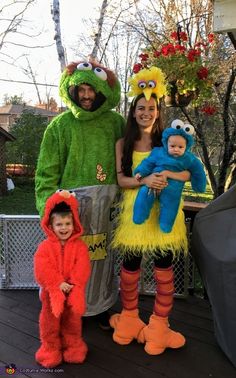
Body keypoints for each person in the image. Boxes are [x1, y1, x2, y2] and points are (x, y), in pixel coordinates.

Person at [35, 60, 125, 330]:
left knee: (101, 259)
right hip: (70, 211)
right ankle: (66, 308)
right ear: (71, 89)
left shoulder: (116, 124)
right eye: (81, 89)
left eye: (91, 89)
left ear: (103, 90)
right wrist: (48, 210)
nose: (86, 95)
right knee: (69, 261)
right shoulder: (60, 126)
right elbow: (46, 173)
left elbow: (132, 159)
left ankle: (100, 306)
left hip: (107, 207)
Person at [110, 90, 191, 356]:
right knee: (130, 266)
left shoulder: (168, 141)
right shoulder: (123, 143)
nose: (146, 112)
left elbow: (189, 169)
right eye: (141, 107)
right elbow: (122, 180)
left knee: (163, 268)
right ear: (133, 111)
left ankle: (159, 326)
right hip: (135, 216)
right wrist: (144, 180)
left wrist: (166, 175)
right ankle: (130, 319)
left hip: (164, 215)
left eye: (152, 108)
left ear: (158, 111)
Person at [34, 190, 91, 368]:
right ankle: (50, 347)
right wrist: (58, 283)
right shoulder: (44, 247)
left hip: (73, 292)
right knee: (49, 322)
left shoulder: (80, 246)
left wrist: (73, 284)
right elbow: (42, 268)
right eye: (59, 224)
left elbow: (82, 266)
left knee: (72, 321)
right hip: (52, 294)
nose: (64, 228)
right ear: (51, 226)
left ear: (74, 224)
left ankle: (73, 345)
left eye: (67, 223)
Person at [133, 119, 206, 232]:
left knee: (170, 205)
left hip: (173, 188)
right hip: (153, 182)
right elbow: (148, 163)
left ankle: (165, 225)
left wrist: (199, 186)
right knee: (144, 194)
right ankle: (139, 216)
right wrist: (140, 172)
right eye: (172, 146)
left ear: (186, 146)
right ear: (166, 143)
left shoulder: (189, 158)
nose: (176, 149)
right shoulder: (158, 152)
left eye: (180, 147)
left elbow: (198, 171)